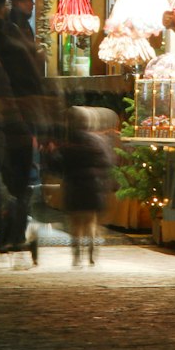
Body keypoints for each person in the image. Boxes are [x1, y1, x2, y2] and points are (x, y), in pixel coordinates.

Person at [59, 105, 115, 266]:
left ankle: (77, 255)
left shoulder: (68, 142)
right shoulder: (98, 141)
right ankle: (91, 252)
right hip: (93, 186)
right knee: (91, 220)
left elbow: (59, 163)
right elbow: (108, 162)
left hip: (74, 185)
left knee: (75, 221)